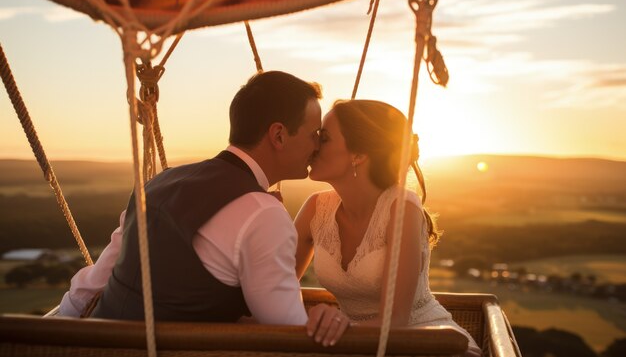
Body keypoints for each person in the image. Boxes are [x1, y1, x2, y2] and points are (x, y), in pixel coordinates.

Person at [58, 70, 350, 346]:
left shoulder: (159, 183)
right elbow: (288, 334)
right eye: (314, 134)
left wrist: (57, 333)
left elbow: (96, 281)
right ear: (279, 136)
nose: (317, 146)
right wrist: (324, 318)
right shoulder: (264, 214)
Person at [294, 99, 481, 356]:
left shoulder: (401, 208)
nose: (313, 146)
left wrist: (341, 327)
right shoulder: (316, 208)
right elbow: (276, 284)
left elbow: (397, 320)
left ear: (358, 155)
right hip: (354, 344)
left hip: (427, 342)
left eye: (324, 138)